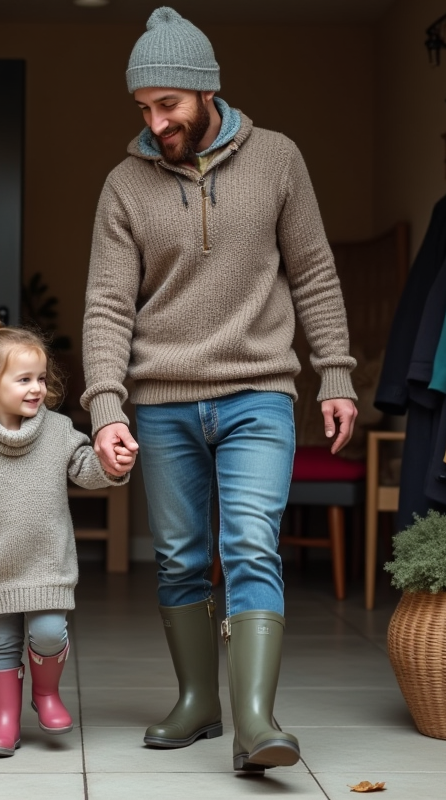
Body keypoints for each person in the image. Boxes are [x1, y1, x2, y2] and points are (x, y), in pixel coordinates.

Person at [81, 7, 358, 773]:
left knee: (249, 544)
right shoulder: (124, 186)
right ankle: (199, 702)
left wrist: (335, 373)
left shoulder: (277, 160)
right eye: (144, 108)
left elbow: (313, 273)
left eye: (168, 104)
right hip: (162, 401)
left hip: (258, 392)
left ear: (208, 89)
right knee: (178, 557)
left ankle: (256, 722)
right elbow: (107, 306)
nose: (155, 122)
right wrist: (105, 406)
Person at [0, 312, 130, 758]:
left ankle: (46, 694)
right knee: (1, 644)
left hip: (47, 565)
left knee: (49, 633)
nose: (37, 388)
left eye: (40, 378)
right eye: (24, 380)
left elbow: (85, 469)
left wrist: (111, 466)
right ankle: (4, 723)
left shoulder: (58, 431)